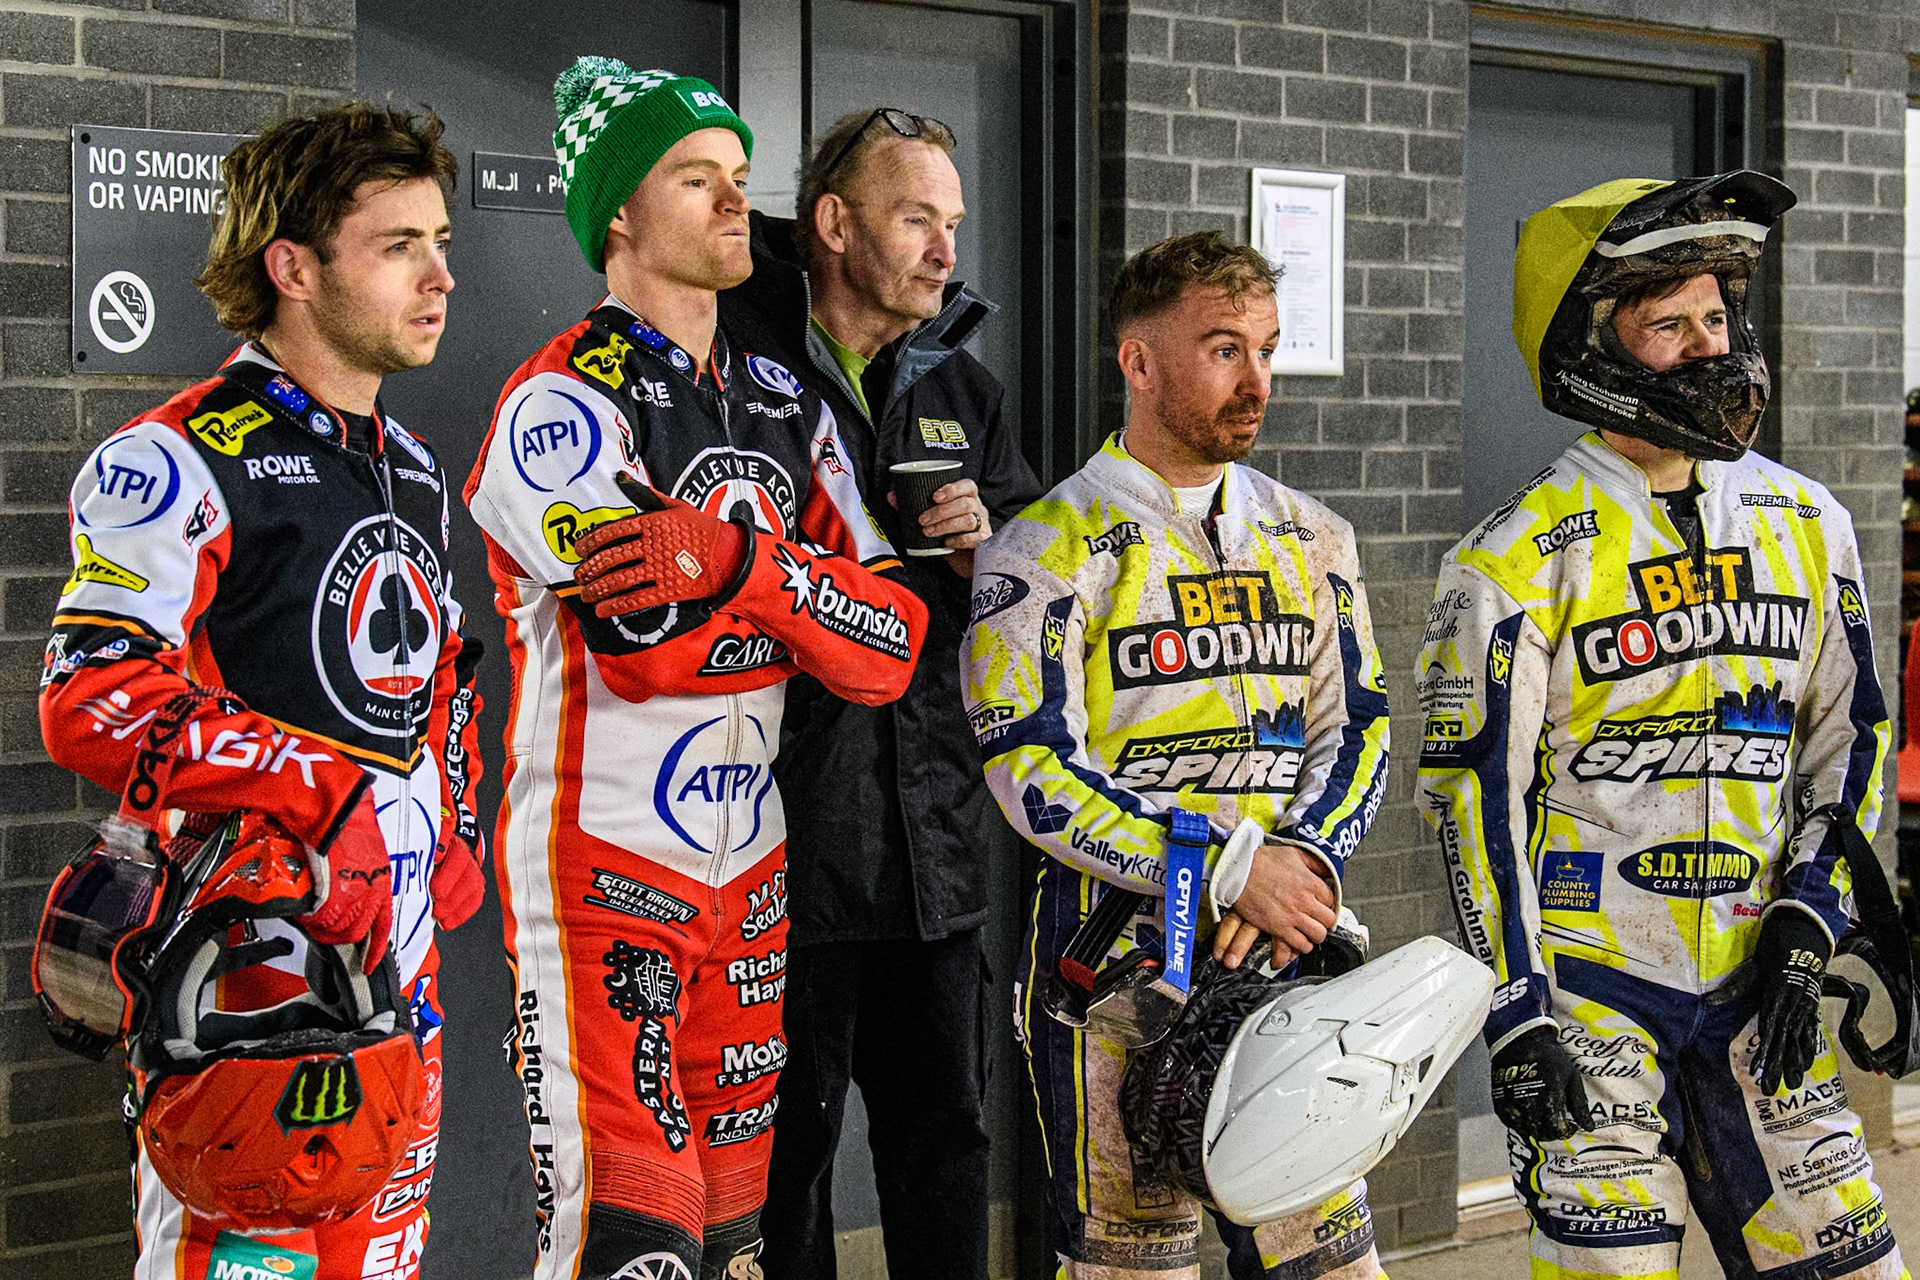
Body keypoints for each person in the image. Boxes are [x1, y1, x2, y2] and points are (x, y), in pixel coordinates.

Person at [465, 58, 928, 1280]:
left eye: (737, 176)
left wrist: (732, 563)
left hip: (753, 873)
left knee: (734, 1242)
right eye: (694, 178)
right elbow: (648, 648)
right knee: (627, 1243)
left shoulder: (786, 400)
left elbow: (894, 648)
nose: (737, 202)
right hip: (602, 868)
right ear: (618, 215)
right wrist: (798, 605)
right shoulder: (558, 401)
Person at [1418, 171, 1907, 1280]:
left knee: (1853, 1265)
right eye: (1669, 324)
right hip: (1595, 984)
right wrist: (1514, 1011)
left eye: (1718, 318)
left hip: (1759, 982)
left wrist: (1810, 922)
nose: (1710, 348)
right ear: (1594, 345)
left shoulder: (1809, 521)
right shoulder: (1510, 557)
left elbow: (1853, 740)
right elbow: (1470, 806)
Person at [38, 102, 484, 1279]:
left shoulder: (416, 470)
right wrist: (322, 800)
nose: (442, 275)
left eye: (440, 240)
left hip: (398, 973)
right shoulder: (174, 455)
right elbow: (92, 690)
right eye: (400, 245)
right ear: (291, 266)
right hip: (243, 979)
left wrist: (454, 821)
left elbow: (438, 675)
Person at [963, 230, 1391, 1277]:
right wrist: (1227, 866)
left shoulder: (1315, 537)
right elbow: (1030, 767)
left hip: (1283, 950)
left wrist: (1300, 862)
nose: (1256, 381)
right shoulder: (1043, 547)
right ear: (1139, 361)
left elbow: (1363, 725)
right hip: (1114, 971)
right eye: (1223, 349)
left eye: (1267, 349)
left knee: (1329, 1262)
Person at [719, 106, 1041, 1277]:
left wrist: (986, 545)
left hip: (936, 852)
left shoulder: (965, 381)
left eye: (951, 223)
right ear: (835, 222)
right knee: (780, 1165)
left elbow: (1033, 599)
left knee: (944, 1144)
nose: (946, 250)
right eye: (918, 219)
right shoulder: (729, 356)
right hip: (779, 850)